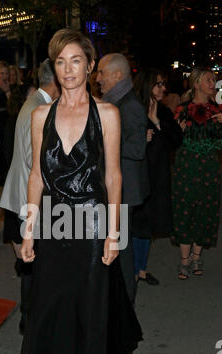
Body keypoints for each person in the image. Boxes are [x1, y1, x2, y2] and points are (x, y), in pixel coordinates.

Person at [12, 29, 142, 354]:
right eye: (61, 62)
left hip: (89, 224)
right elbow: (36, 176)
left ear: (89, 66)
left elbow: (115, 176)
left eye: (76, 61)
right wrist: (29, 228)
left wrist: (113, 233)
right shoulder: (40, 115)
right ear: (55, 67)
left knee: (87, 312)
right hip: (51, 223)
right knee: (43, 310)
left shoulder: (107, 114)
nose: (68, 70)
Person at [0, 59, 60, 335]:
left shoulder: (34, 101)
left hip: (23, 196)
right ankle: (31, 319)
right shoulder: (40, 107)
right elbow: (32, 157)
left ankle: (32, 318)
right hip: (29, 200)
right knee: (33, 263)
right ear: (56, 81)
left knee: (31, 263)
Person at [96, 53, 149, 300]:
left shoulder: (130, 106)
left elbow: (137, 149)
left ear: (117, 75)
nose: (98, 79)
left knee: (122, 251)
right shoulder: (115, 102)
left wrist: (105, 142)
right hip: (118, 188)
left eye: (102, 73)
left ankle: (126, 305)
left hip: (126, 191)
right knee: (116, 247)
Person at [172, 66, 222, 279]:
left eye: (214, 80)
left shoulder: (219, 110)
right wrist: (178, 131)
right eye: (208, 80)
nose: (213, 84)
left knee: (206, 208)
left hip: (210, 166)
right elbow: (171, 139)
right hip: (186, 165)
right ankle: (184, 261)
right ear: (196, 84)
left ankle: (196, 257)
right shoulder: (183, 109)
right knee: (185, 206)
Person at [133, 68, 183, 285]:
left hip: (159, 174)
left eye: (164, 84)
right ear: (147, 86)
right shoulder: (134, 110)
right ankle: (133, 269)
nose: (163, 88)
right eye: (159, 84)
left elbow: (176, 140)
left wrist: (157, 122)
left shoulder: (162, 112)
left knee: (150, 225)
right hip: (139, 174)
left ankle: (141, 269)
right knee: (138, 224)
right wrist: (141, 138)